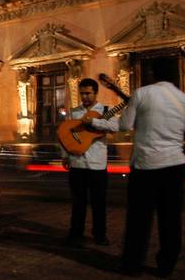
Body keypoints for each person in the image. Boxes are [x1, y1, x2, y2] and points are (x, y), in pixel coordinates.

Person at [118, 58, 185, 277]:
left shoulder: (142, 93)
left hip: (146, 165)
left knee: (139, 219)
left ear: (152, 73)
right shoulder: (184, 99)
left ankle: (133, 264)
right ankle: (166, 265)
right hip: (175, 166)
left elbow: (124, 125)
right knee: (171, 219)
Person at [62, 78, 119, 246]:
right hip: (77, 163)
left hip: (97, 165)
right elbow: (65, 134)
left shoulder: (106, 110)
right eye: (82, 93)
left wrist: (93, 122)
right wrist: (65, 155)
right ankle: (75, 233)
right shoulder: (74, 112)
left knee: (98, 203)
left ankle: (99, 235)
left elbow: (116, 127)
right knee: (78, 202)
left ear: (95, 93)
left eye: (88, 93)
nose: (84, 97)